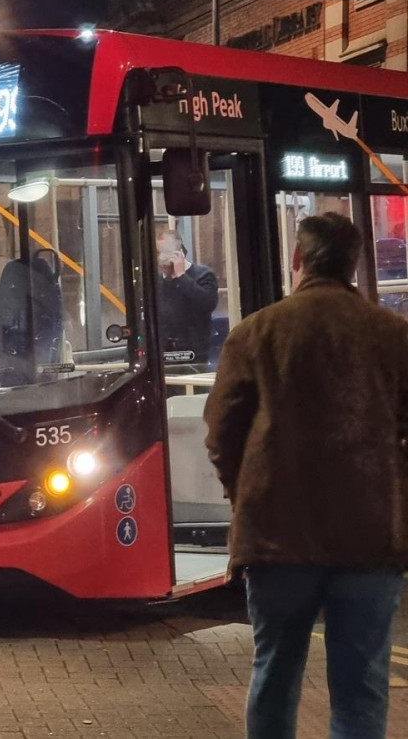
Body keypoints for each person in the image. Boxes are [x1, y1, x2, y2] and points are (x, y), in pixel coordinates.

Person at [203, 212, 408, 739]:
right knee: (361, 685)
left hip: (276, 537)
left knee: (274, 675)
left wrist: (245, 499)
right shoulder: (393, 336)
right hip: (369, 539)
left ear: (298, 260)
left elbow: (222, 435)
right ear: (354, 263)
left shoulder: (256, 332)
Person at [155, 229, 219, 362]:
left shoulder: (203, 275)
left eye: (166, 252)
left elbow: (207, 304)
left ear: (180, 253)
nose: (161, 258)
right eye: (157, 252)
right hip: (163, 353)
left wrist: (181, 277)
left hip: (195, 353)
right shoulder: (154, 282)